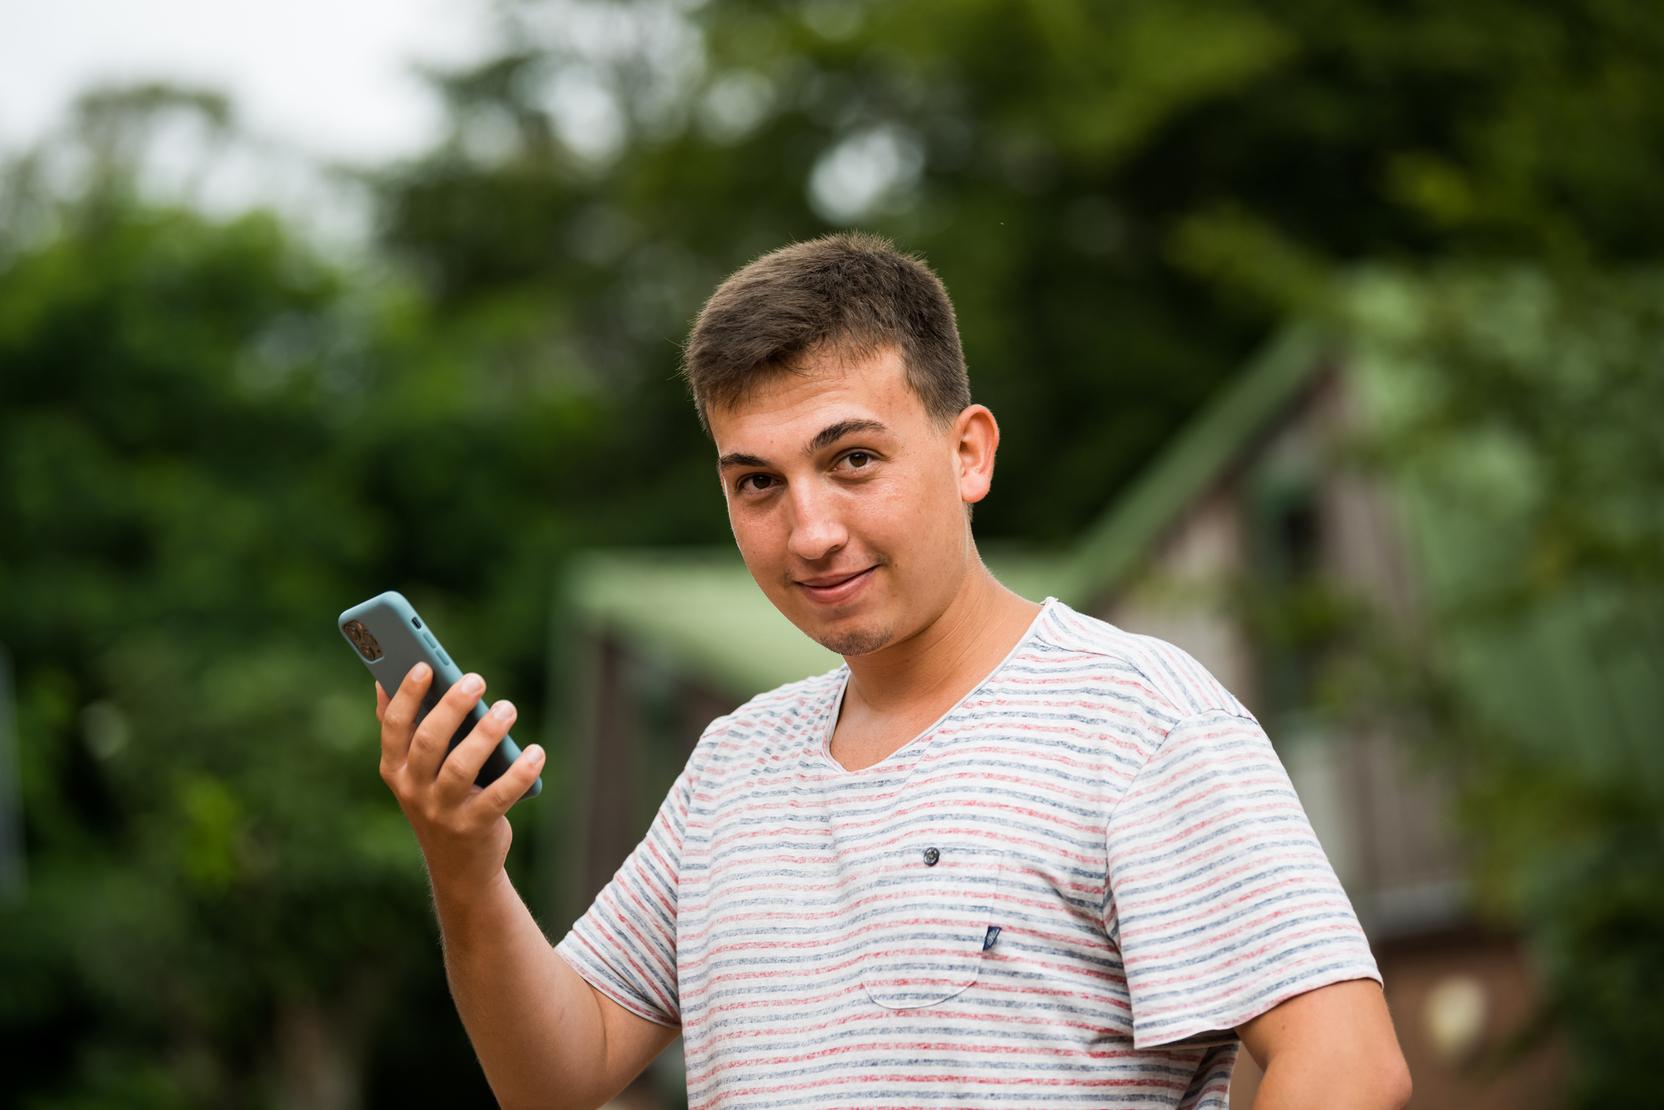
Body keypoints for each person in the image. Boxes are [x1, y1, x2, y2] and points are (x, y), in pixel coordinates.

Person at [373, 233, 1412, 1109]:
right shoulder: (731, 765)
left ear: (968, 453)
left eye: (851, 460)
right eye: (756, 483)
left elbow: (1344, 1060)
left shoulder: (1132, 715)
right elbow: (561, 1071)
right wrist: (463, 870)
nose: (809, 530)